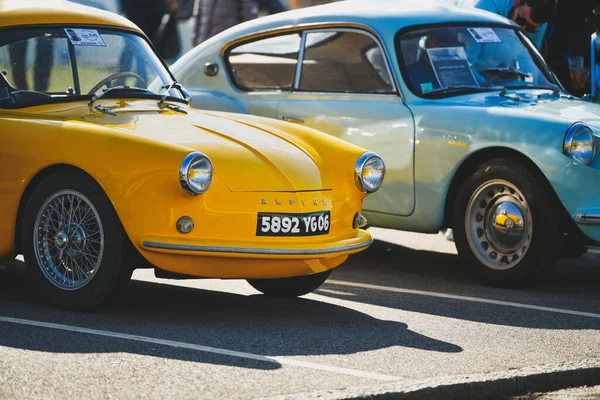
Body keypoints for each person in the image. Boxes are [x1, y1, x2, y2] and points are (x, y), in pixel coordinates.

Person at [450, 0, 557, 51]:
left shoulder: (539, 22)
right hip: (448, 32)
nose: (523, 29)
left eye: (530, 29)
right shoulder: (485, 8)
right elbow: (470, 59)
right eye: (521, 20)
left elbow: (529, 59)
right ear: (517, 2)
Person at [193, 0, 259, 46]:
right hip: (204, 45)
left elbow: (249, 17)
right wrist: (195, 40)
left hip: (227, 45)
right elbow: (199, 17)